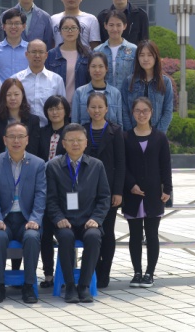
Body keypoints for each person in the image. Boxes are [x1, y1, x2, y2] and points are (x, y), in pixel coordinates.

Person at [45, 123, 112, 303]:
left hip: (88, 220)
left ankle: (84, 285)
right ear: (63, 143)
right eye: (71, 140)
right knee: (66, 237)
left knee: (93, 237)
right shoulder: (53, 166)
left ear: (86, 142)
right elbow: (50, 198)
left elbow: (104, 197)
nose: (75, 144)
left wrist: (96, 219)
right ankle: (69, 286)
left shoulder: (96, 165)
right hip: (65, 221)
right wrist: (58, 218)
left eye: (79, 140)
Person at [0, 122, 46, 304]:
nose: (16, 141)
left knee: (32, 237)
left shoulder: (38, 164)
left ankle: (29, 285)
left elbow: (41, 194)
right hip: (4, 217)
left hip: (27, 218)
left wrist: (35, 219)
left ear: (27, 140)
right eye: (12, 137)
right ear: (5, 140)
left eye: (20, 137)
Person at [122, 97, 172, 289]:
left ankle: (150, 273)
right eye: (138, 111)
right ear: (132, 113)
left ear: (151, 113)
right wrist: (131, 185)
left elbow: (165, 165)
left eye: (145, 111)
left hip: (153, 193)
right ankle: (137, 272)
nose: (141, 114)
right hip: (132, 194)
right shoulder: (126, 137)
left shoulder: (160, 137)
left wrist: (167, 189)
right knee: (134, 235)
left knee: (152, 234)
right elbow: (123, 165)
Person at [83, 91, 127, 288]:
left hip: (108, 191)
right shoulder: (82, 130)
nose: (97, 110)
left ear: (107, 109)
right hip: (86, 191)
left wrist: (118, 191)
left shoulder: (115, 131)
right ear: (87, 109)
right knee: (90, 230)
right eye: (93, 107)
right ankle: (92, 268)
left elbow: (121, 163)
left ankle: (104, 272)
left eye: (100, 107)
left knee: (107, 232)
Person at [0, 79, 43, 161]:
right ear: (3, 97)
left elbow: (33, 149)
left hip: (26, 164)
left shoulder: (33, 120)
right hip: (0, 163)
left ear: (22, 95)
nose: (12, 98)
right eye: (8, 95)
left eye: (16, 94)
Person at [13, 40, 66, 127]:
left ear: (46, 55)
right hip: (23, 129)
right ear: (26, 54)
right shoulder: (16, 79)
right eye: (34, 52)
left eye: (41, 52)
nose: (37, 55)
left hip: (49, 128)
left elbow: (62, 108)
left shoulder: (56, 80)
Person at [124, 41, 174, 132]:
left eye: (150, 55)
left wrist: (158, 134)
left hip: (156, 133)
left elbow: (168, 110)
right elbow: (124, 109)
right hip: (133, 133)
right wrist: (131, 132)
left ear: (156, 57)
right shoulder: (129, 81)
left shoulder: (165, 82)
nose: (145, 59)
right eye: (142, 55)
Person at [46, 16, 91, 102]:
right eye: (66, 28)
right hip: (57, 104)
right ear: (60, 31)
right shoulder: (51, 55)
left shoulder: (87, 55)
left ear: (79, 30)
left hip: (81, 103)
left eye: (73, 28)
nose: (70, 31)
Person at [73, 53, 125, 126]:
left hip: (110, 133)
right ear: (88, 68)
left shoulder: (115, 93)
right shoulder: (80, 92)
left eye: (101, 66)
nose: (97, 70)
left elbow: (119, 123)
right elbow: (75, 123)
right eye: (93, 66)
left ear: (106, 68)